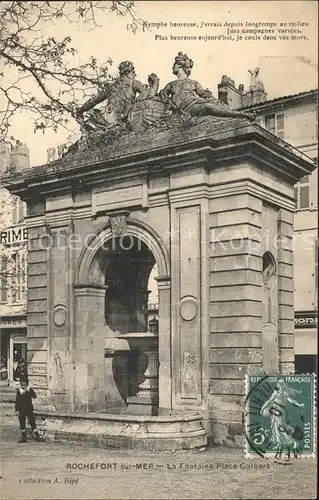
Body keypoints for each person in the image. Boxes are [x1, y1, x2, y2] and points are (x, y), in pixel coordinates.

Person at [159, 52, 255, 121]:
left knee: (210, 106)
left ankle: (241, 115)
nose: (172, 67)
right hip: (186, 110)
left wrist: (209, 95)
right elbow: (163, 96)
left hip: (194, 105)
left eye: (174, 65)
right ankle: (241, 115)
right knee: (209, 107)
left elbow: (204, 94)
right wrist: (171, 107)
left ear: (180, 66)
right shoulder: (170, 85)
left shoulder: (193, 83)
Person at [15, 378, 43, 443]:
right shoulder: (19, 391)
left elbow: (34, 396)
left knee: (32, 422)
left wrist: (29, 391)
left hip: (29, 409)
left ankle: (37, 436)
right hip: (21, 410)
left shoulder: (30, 390)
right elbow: (17, 401)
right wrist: (16, 410)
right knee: (22, 423)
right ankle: (23, 437)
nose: (23, 387)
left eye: (24, 385)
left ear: (27, 385)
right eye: (22, 385)